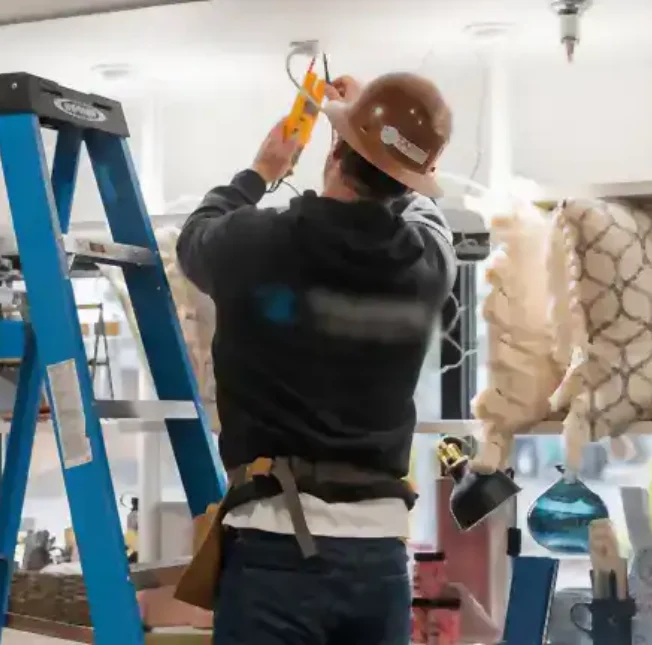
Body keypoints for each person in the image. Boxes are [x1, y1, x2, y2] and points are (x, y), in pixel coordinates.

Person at [175, 72, 457, 644]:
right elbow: (433, 222)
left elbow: (195, 236)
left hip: (275, 554)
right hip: (379, 562)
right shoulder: (428, 269)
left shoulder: (257, 244)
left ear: (334, 151)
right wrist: (374, 127)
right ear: (410, 183)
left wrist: (262, 170)